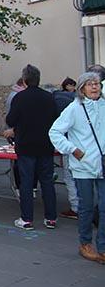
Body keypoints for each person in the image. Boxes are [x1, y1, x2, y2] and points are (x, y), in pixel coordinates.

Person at [49, 72, 105, 263]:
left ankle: (103, 246)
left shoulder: (104, 106)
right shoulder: (74, 108)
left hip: (102, 164)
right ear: (82, 89)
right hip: (83, 166)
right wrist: (73, 150)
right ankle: (85, 243)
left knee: (104, 207)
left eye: (96, 83)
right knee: (86, 206)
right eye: (90, 84)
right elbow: (55, 132)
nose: (94, 87)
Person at [5, 65, 58, 231]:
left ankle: (27, 219)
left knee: (26, 183)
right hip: (45, 144)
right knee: (47, 182)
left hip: (26, 145)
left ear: (25, 80)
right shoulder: (49, 97)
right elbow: (56, 118)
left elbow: (11, 120)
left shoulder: (20, 98)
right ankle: (51, 218)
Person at [53, 77, 79, 220]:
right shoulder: (79, 102)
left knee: (70, 176)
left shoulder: (60, 102)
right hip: (83, 146)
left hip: (71, 145)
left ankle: (76, 208)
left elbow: (56, 130)